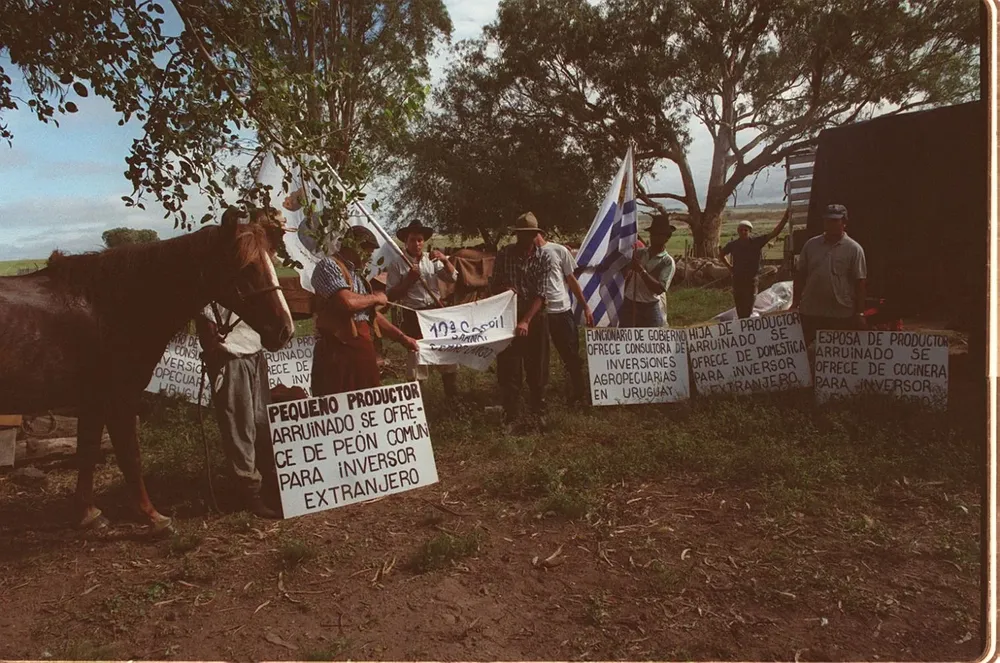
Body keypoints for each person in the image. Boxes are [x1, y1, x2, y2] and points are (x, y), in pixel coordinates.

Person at [195, 207, 290, 519]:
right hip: (230, 354)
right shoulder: (227, 266)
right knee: (241, 427)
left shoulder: (263, 264)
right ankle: (248, 491)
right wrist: (214, 347)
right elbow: (206, 314)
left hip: (253, 350)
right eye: (271, 233)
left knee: (261, 422)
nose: (275, 240)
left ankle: (271, 482)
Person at [310, 225, 419, 396]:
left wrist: (403, 338)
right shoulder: (329, 266)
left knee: (368, 404)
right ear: (353, 247)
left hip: (361, 350)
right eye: (367, 253)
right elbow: (347, 302)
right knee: (334, 404)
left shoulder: (358, 276)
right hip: (336, 353)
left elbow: (372, 316)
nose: (369, 258)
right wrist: (376, 297)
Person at [489, 212, 552, 431]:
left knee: (537, 368)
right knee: (509, 370)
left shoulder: (544, 257)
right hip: (508, 317)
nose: (527, 239)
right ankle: (511, 415)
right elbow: (492, 286)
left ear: (536, 235)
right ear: (517, 235)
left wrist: (525, 321)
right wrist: (503, 289)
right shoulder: (505, 255)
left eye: (531, 235)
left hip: (534, 318)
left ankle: (539, 412)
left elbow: (542, 294)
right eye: (522, 235)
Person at [385, 219, 460, 398]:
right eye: (412, 240)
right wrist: (410, 279)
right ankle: (417, 405)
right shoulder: (397, 264)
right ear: (406, 241)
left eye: (420, 239)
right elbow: (390, 295)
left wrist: (445, 260)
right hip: (413, 315)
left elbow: (453, 278)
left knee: (446, 353)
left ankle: (453, 400)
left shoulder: (431, 260)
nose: (417, 244)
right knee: (417, 358)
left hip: (434, 313)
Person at [792, 203, 868, 345]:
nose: (830, 224)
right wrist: (795, 303)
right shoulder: (811, 245)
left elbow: (860, 282)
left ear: (844, 222)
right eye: (827, 220)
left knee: (836, 353)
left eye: (835, 220)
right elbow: (800, 275)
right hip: (811, 310)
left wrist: (860, 313)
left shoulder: (854, 249)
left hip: (840, 312)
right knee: (806, 350)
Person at [536, 226, 593, 405]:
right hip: (539, 313)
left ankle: (578, 391)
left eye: (530, 233)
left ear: (539, 233)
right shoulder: (526, 254)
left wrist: (585, 306)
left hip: (561, 310)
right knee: (540, 357)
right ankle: (539, 396)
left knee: (570, 353)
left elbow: (571, 280)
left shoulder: (559, 250)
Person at [720, 208, 790, 318]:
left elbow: (774, 233)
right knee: (740, 309)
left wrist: (785, 218)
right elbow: (721, 255)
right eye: (741, 230)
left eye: (746, 230)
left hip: (751, 281)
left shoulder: (756, 242)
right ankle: (742, 330)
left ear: (749, 231)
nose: (743, 232)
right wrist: (730, 267)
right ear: (738, 231)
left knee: (748, 308)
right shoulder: (733, 245)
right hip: (738, 280)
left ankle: (747, 329)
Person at [621, 215, 676, 327]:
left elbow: (659, 289)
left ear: (667, 238)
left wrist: (641, 270)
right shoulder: (639, 253)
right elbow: (623, 272)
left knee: (653, 341)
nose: (655, 237)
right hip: (630, 303)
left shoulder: (667, 262)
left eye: (659, 235)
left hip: (649, 307)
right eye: (653, 234)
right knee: (626, 339)